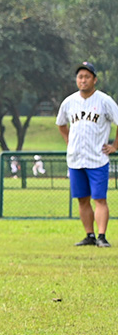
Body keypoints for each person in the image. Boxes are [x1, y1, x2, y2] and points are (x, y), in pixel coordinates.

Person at [56, 62, 118, 248]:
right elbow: (61, 124)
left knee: (99, 198)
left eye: (87, 76)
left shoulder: (104, 101)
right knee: (82, 199)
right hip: (76, 159)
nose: (83, 80)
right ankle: (89, 235)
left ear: (94, 79)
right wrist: (69, 142)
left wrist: (115, 145)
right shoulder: (69, 102)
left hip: (97, 158)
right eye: (80, 77)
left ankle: (101, 236)